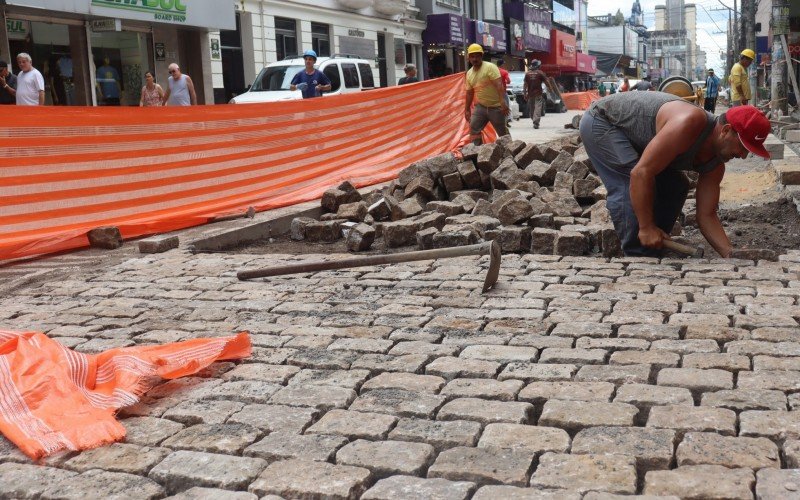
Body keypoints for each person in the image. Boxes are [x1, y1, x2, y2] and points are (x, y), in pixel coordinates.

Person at [579, 91, 770, 258]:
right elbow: (641, 173)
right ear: (726, 131)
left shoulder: (714, 165)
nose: (744, 157)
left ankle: (652, 245)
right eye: (743, 147)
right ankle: (638, 257)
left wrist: (730, 253)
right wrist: (645, 227)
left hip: (637, 139)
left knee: (676, 186)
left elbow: (706, 215)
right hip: (603, 122)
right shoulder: (689, 123)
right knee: (630, 180)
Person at [464, 43, 509, 142]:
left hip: (496, 107)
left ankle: (510, 153)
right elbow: (469, 93)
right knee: (474, 128)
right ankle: (478, 152)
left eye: (477, 56)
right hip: (481, 107)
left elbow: (499, 85)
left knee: (503, 134)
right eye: (472, 56)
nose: (474, 59)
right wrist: (467, 109)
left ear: (481, 56)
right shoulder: (469, 74)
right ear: (468, 58)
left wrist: (502, 102)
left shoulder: (490, 67)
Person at [523, 59, 552, 129]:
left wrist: (524, 94)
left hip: (530, 94)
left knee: (532, 108)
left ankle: (534, 120)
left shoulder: (527, 74)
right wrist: (550, 88)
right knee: (538, 108)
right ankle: (536, 122)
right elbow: (547, 82)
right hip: (538, 93)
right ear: (538, 66)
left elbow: (525, 84)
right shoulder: (540, 73)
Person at [496, 59, 512, 127]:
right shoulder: (504, 72)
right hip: (502, 92)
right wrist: (504, 82)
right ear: (502, 64)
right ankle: (505, 122)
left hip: (494, 92)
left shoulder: (494, 71)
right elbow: (508, 81)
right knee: (506, 106)